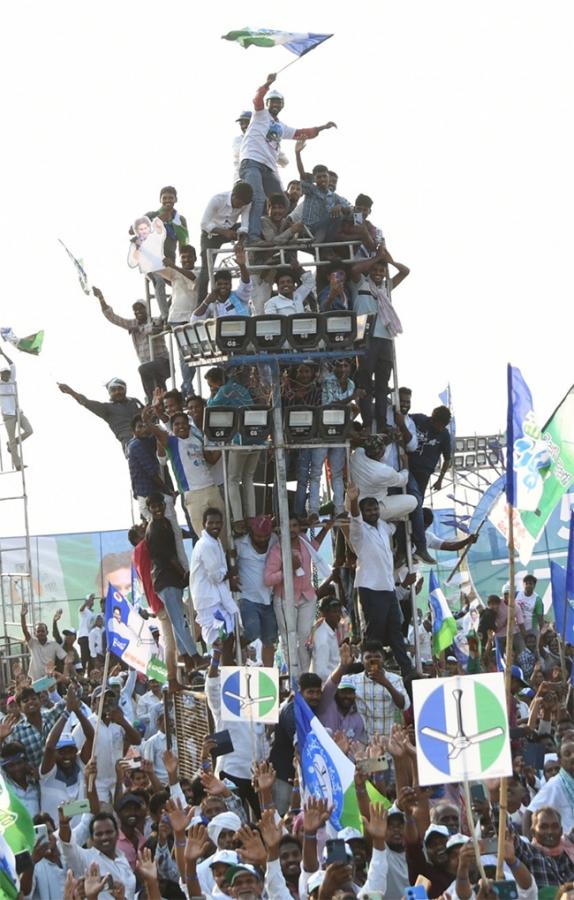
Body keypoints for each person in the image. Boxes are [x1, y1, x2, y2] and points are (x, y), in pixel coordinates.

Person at [239, 71, 337, 241]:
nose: (275, 105)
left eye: (278, 102)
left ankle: (283, 232)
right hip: (252, 161)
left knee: (282, 201)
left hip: (269, 167)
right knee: (258, 197)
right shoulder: (260, 115)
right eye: (273, 102)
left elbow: (300, 133)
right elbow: (257, 100)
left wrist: (322, 127)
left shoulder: (281, 126)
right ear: (268, 103)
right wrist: (267, 84)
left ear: (282, 105)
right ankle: (253, 236)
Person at [347, 483, 413, 675]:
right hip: (370, 588)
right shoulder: (358, 530)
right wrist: (352, 500)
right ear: (362, 512)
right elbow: (354, 517)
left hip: (388, 588)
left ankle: (407, 670)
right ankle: (369, 670)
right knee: (373, 634)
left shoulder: (383, 526)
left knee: (396, 632)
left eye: (375, 509)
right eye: (368, 510)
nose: (373, 512)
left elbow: (395, 525)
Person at [143, 408, 225, 543]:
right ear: (172, 428)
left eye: (184, 423)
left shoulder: (197, 438)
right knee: (204, 537)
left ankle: (226, 562)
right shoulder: (172, 442)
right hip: (193, 493)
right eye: (177, 424)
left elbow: (211, 459)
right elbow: (156, 432)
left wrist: (224, 444)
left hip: (211, 488)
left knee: (222, 532)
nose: (181, 426)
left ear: (188, 425)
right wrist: (147, 420)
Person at [351, 243, 409, 431]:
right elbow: (355, 269)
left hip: (384, 337)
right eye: (375, 270)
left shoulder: (387, 288)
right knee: (365, 382)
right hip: (364, 333)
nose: (378, 273)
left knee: (383, 384)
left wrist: (389, 261)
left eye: (381, 271)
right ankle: (368, 423)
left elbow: (405, 271)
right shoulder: (361, 283)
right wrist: (377, 258)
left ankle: (382, 423)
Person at [264, 516, 332, 678]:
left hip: (306, 597)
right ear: (281, 529)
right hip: (285, 599)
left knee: (304, 637)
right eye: (288, 527)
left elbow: (314, 547)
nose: (292, 530)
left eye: (294, 525)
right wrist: (288, 569)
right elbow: (268, 579)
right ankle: (294, 676)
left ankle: (305, 676)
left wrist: (326, 528)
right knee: (288, 639)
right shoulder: (277, 550)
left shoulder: (303, 540)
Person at [145, 492, 199, 671]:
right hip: (166, 579)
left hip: (170, 579)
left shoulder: (165, 524)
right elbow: (169, 557)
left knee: (178, 622)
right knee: (178, 621)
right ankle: (195, 656)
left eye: (160, 505)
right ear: (149, 509)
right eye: (154, 507)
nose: (158, 509)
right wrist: (183, 573)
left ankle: (187, 658)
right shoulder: (155, 529)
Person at [94, 286, 170, 403]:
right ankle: (157, 403)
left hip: (163, 363)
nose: (138, 311)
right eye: (135, 309)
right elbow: (113, 318)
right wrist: (101, 298)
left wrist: (140, 329)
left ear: (147, 309)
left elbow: (154, 329)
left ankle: (152, 401)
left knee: (143, 369)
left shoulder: (155, 320)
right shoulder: (132, 324)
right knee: (156, 387)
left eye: (141, 308)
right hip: (149, 369)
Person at [308, 358, 356, 520]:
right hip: (322, 432)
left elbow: (347, 408)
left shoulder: (350, 383)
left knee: (337, 473)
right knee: (315, 473)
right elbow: (331, 403)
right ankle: (313, 510)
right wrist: (352, 398)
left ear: (350, 368)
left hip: (339, 433)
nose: (342, 368)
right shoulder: (329, 380)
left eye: (346, 365)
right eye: (340, 365)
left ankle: (339, 509)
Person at [269, 672, 323, 814]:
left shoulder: (312, 710)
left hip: (300, 777)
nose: (315, 696)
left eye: (318, 692)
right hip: (283, 776)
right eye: (310, 692)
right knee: (284, 819)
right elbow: (299, 741)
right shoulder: (292, 711)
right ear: (300, 692)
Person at [197, 181, 254, 303]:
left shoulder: (246, 203)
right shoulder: (217, 199)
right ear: (233, 196)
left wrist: (241, 242)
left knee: (254, 228)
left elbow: (245, 225)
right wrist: (224, 232)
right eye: (239, 203)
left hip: (231, 229)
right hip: (211, 233)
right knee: (206, 270)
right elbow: (204, 223)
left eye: (244, 204)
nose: (241, 206)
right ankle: (201, 304)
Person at [59, 810, 137, 898]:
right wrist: (64, 824)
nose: (104, 837)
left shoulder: (122, 859)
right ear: (92, 838)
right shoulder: (85, 858)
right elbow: (67, 845)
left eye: (109, 832)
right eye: (99, 834)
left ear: (117, 834)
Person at [189, 507, 239, 646]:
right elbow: (216, 577)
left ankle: (224, 666)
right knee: (222, 640)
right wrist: (232, 571)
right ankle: (218, 667)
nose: (215, 526)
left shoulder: (214, 542)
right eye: (211, 523)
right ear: (204, 524)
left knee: (227, 637)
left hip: (214, 598)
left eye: (218, 523)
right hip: (209, 600)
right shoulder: (205, 544)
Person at [139, 185, 189, 319]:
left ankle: (169, 310)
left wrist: (183, 265)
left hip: (169, 263)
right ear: (160, 200)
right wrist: (159, 220)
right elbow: (133, 231)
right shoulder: (151, 216)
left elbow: (184, 243)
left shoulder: (180, 220)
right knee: (159, 282)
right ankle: (166, 317)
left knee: (184, 283)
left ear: (175, 200)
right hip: (150, 262)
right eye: (165, 198)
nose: (168, 201)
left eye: (171, 198)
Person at [58, 377, 143, 455]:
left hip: (147, 436)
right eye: (113, 390)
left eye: (120, 389)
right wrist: (71, 392)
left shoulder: (134, 401)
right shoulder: (106, 408)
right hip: (131, 443)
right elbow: (86, 402)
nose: (117, 392)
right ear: (109, 393)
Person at [235, 515, 278, 668]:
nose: (262, 539)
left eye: (265, 536)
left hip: (269, 598)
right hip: (247, 598)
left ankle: (268, 674)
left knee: (269, 639)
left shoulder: (274, 540)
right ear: (252, 533)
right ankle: (234, 651)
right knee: (252, 632)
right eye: (259, 536)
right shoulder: (240, 544)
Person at [295, 140, 351, 242]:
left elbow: (349, 209)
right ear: (315, 179)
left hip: (324, 227)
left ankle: (325, 247)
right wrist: (298, 154)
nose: (322, 179)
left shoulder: (334, 196)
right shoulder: (311, 189)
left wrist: (340, 207)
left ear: (329, 177)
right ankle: (324, 247)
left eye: (324, 176)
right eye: (319, 177)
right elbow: (302, 174)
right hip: (309, 228)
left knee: (338, 216)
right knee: (334, 218)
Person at [164, 244, 200, 397]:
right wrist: (141, 247)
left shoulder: (199, 271)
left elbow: (192, 278)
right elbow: (156, 269)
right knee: (185, 354)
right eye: (183, 257)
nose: (186, 260)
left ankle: (186, 387)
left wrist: (174, 266)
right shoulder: (175, 273)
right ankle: (188, 388)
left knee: (192, 354)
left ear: (195, 258)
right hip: (176, 318)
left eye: (188, 257)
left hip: (191, 317)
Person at [192, 245, 252, 320]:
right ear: (214, 285)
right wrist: (206, 301)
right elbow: (194, 320)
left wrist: (242, 266)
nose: (223, 286)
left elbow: (246, 284)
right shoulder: (212, 304)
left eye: (226, 284)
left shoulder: (239, 296)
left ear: (231, 285)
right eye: (219, 284)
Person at [408, 405, 453, 496]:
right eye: (439, 425)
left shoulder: (445, 434)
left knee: (418, 500)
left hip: (424, 473)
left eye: (443, 426)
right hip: (408, 467)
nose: (441, 428)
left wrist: (440, 480)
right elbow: (403, 419)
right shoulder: (419, 419)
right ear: (433, 420)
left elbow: (447, 459)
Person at [0, 347, 33, 470]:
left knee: (29, 430)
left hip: (18, 412)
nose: (6, 375)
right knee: (12, 441)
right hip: (8, 415)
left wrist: (3, 353)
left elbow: (13, 365)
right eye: (4, 373)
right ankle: (18, 464)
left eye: (7, 373)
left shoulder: (12, 379)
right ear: (0, 375)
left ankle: (11, 443)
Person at [20, 604, 67, 680]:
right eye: (38, 631)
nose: (40, 633)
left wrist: (65, 675)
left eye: (42, 631)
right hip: (35, 681)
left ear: (47, 632)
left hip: (49, 680)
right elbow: (24, 630)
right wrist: (22, 616)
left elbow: (65, 658)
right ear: (35, 634)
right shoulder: (32, 643)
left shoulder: (54, 645)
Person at [309, 596, 344, 683]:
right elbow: (321, 672)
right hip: (330, 684)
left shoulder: (332, 631)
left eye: (339, 612)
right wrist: (341, 677)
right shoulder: (323, 638)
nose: (338, 615)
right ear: (324, 614)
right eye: (334, 612)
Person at [77, 593, 96, 671]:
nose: (92, 601)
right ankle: (84, 674)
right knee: (85, 658)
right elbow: (81, 609)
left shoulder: (92, 613)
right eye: (91, 599)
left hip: (90, 637)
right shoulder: (84, 610)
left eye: (93, 599)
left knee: (91, 657)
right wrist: (86, 603)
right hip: (84, 637)